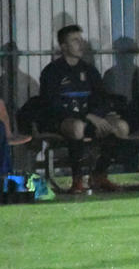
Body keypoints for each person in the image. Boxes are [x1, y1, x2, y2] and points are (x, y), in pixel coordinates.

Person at [39, 25, 130, 193]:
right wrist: (86, 116)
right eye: (75, 41)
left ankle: (99, 175)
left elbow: (102, 98)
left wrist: (98, 116)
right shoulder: (52, 72)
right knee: (77, 127)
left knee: (121, 127)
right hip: (61, 121)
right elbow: (52, 105)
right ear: (63, 47)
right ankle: (77, 179)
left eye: (81, 40)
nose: (81, 44)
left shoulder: (89, 70)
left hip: (90, 119)